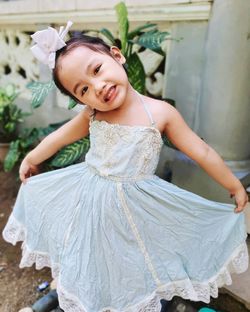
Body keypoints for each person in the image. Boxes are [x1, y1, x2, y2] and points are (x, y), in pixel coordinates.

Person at [2, 21, 249, 312]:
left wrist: (233, 185)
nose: (97, 87)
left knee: (132, 263)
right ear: (79, 99)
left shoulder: (160, 113)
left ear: (117, 56)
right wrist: (32, 158)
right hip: (89, 203)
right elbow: (59, 138)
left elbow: (202, 152)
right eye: (83, 89)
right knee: (92, 258)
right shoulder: (92, 114)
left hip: (135, 209)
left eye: (96, 70)